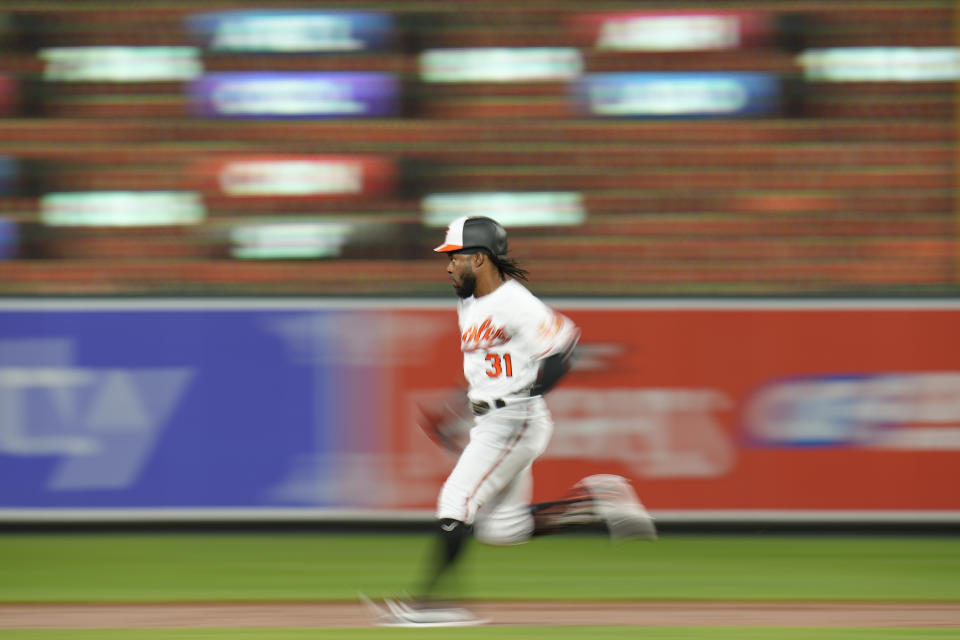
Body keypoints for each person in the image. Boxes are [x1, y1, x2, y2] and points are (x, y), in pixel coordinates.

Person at [366, 216, 656, 627]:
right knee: (502, 528)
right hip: (491, 420)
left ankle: (430, 605)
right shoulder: (470, 302)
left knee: (456, 500)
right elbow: (482, 368)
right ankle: (596, 503)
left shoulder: (516, 303)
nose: (448, 266)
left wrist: (533, 391)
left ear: (480, 259)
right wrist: (453, 410)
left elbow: (565, 345)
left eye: (455, 257)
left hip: (515, 419)